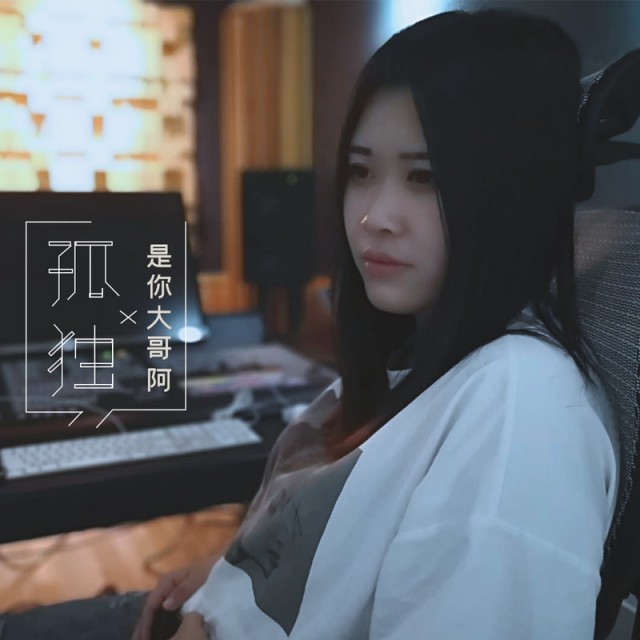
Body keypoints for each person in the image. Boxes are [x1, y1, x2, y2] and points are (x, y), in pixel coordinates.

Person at [0, 7, 620, 640]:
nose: (374, 216)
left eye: (424, 176)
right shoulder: (424, 353)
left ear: (513, 187)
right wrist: (231, 571)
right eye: (361, 171)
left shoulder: (522, 409)